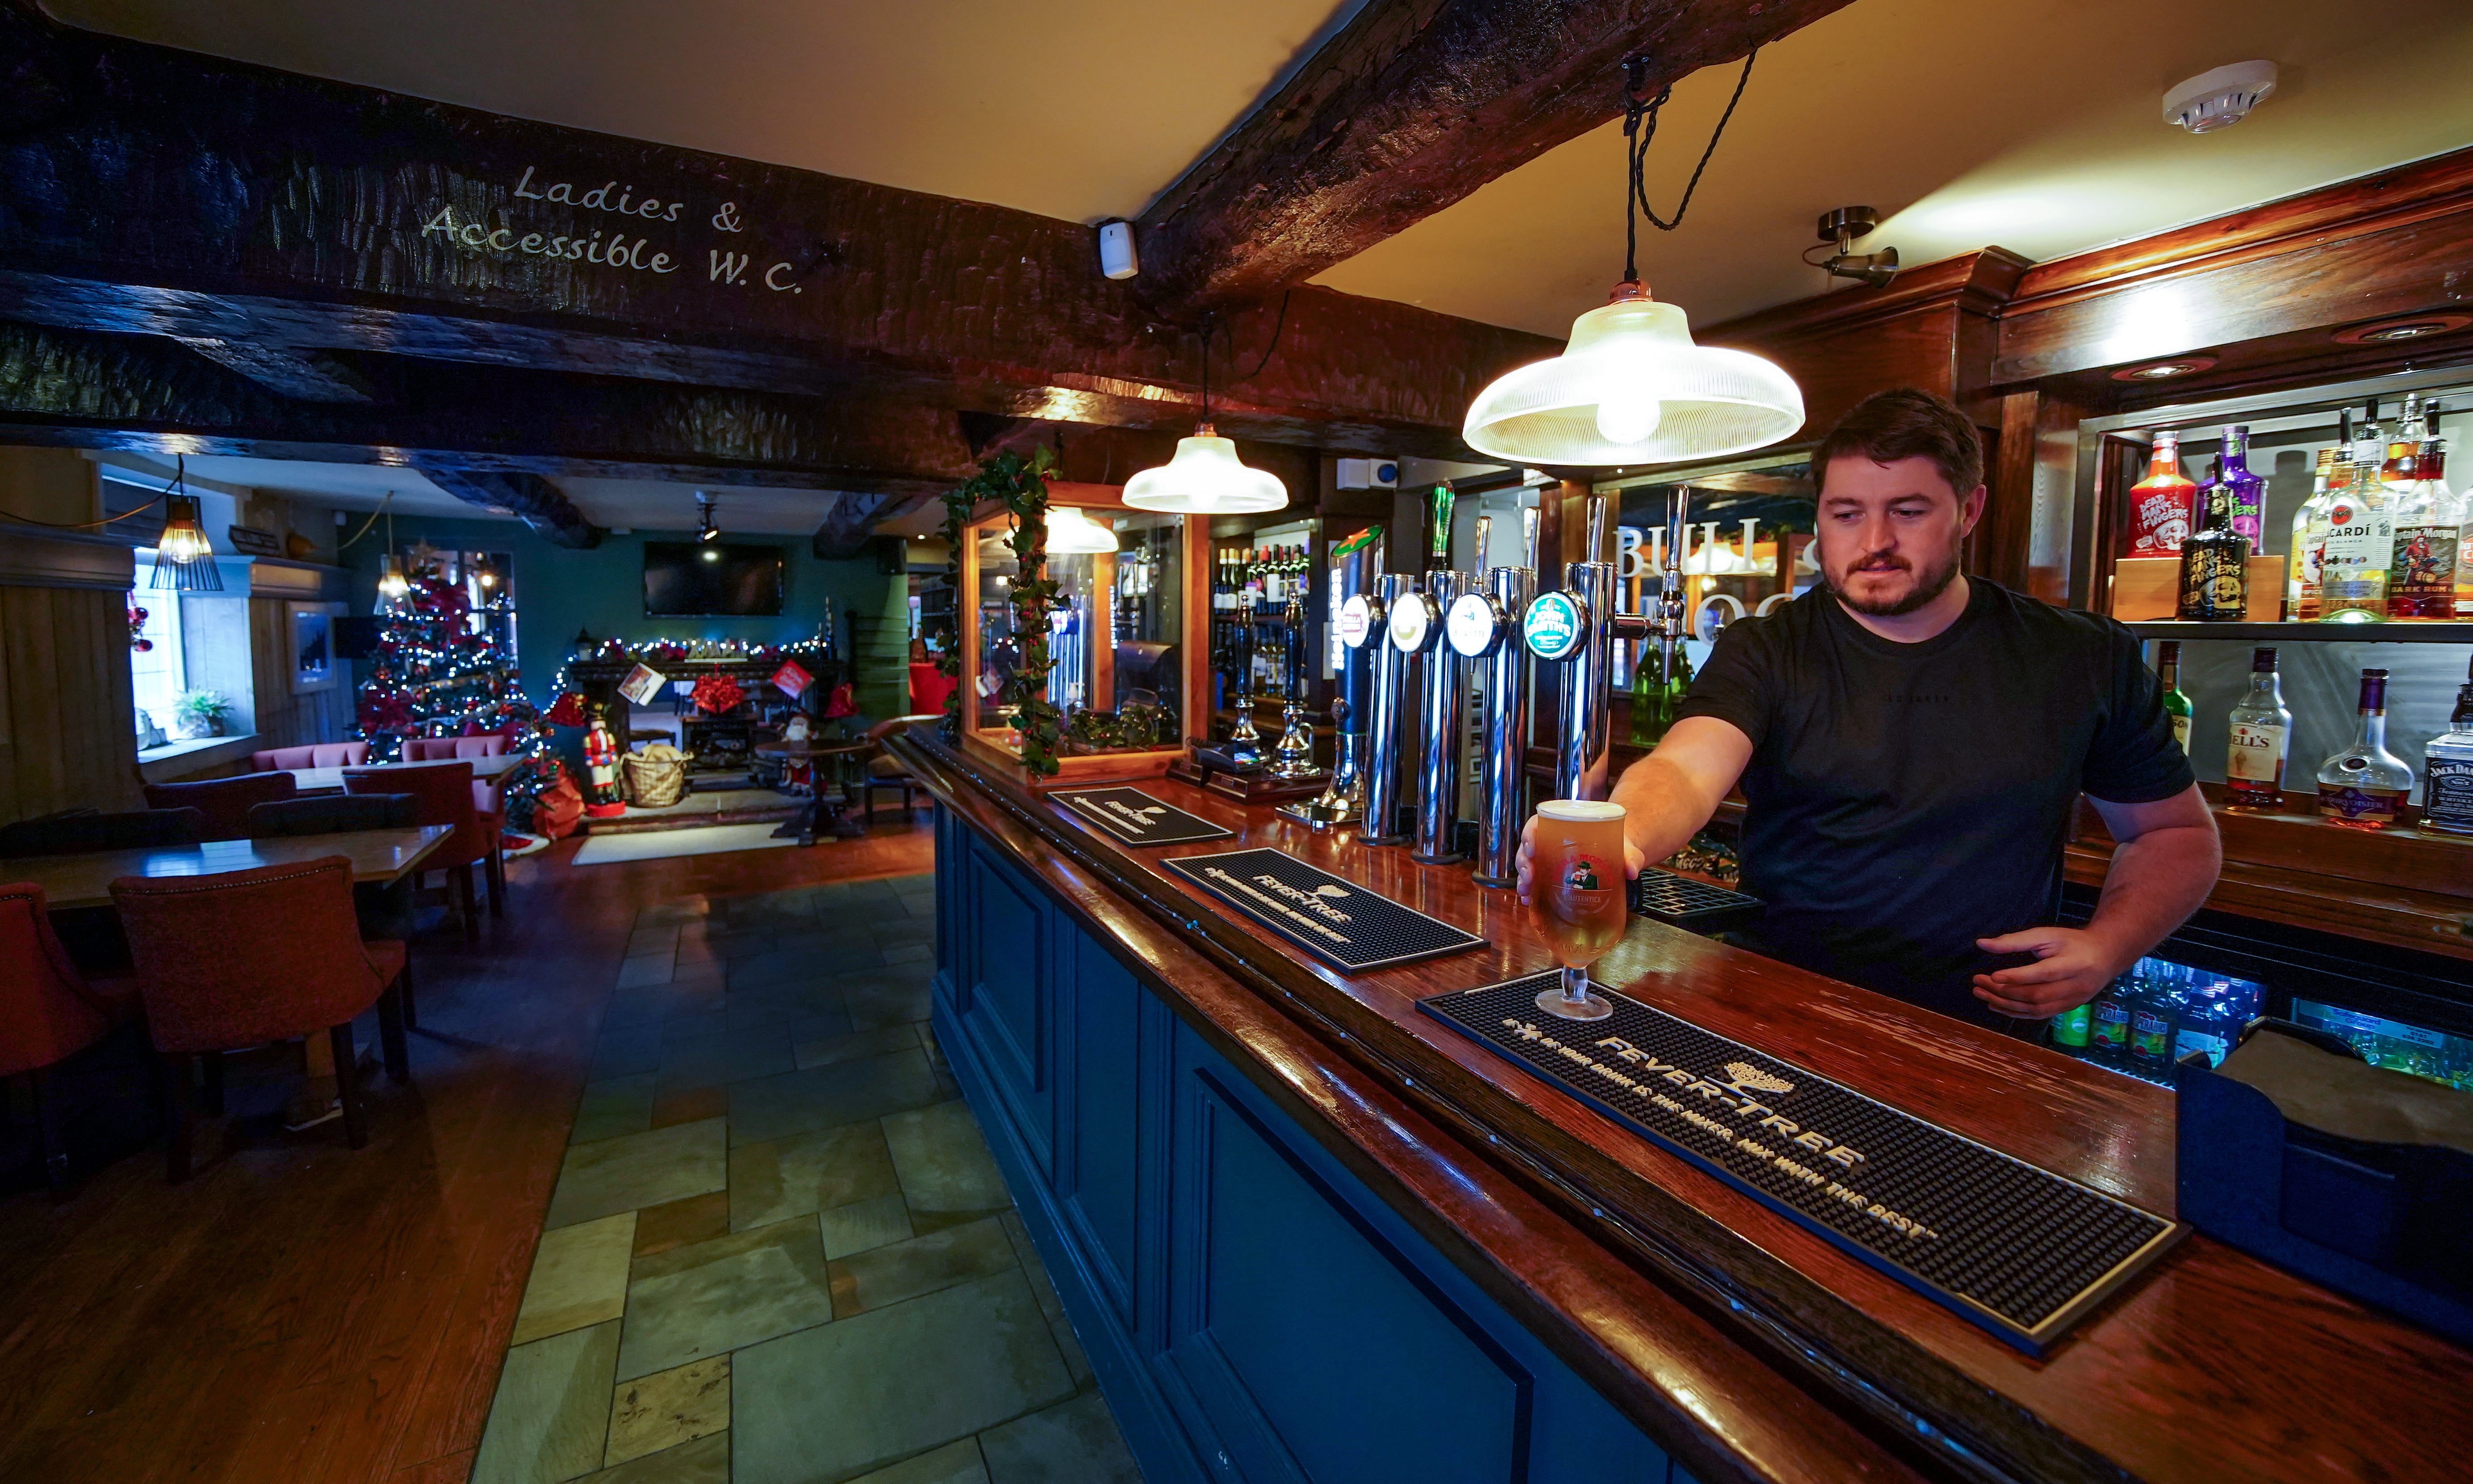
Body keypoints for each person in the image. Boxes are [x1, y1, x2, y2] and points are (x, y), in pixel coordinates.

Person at [1520, 388, 2221, 1030]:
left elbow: (2177, 835)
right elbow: (1686, 768)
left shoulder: (2079, 658)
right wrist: (1624, 836)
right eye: (1846, 514)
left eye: (1908, 512)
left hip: (1983, 1034)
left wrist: (2108, 945)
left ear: (1969, 511)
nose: (1875, 541)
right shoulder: (1770, 647)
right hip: (1777, 1007)